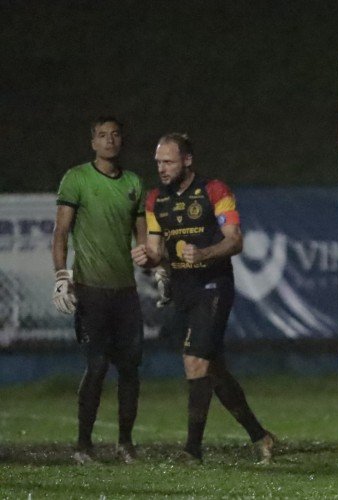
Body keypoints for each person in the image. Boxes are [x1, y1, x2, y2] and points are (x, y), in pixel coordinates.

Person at [131, 133, 275, 464]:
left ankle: (192, 450)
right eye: (158, 163)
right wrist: (147, 257)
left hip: (213, 285)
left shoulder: (214, 191)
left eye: (168, 162)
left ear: (187, 161)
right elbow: (155, 248)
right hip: (183, 289)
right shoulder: (155, 199)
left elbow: (235, 241)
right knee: (212, 371)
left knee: (194, 360)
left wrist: (206, 252)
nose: (162, 169)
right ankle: (260, 436)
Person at [51, 116, 146, 465]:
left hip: (126, 291)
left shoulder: (134, 182)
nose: (109, 141)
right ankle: (83, 445)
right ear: (93, 142)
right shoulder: (76, 178)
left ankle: (125, 443)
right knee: (96, 367)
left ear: (122, 141)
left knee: (131, 369)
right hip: (91, 289)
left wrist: (154, 261)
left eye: (115, 135)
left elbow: (144, 237)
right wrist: (62, 275)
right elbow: (61, 232)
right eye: (102, 136)